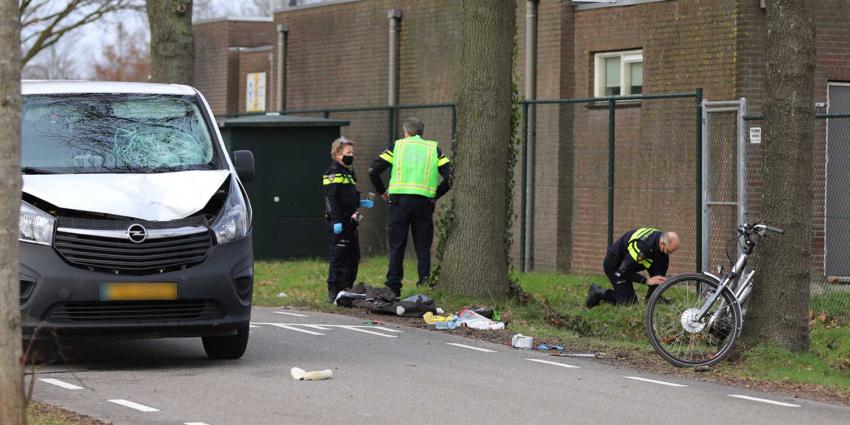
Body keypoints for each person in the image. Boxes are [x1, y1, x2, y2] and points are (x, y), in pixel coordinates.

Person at [369, 117, 452, 297]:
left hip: (399, 203)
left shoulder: (397, 147)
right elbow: (450, 176)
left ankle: (393, 287)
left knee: (397, 245)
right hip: (423, 203)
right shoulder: (433, 149)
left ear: (406, 132)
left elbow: (373, 170)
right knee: (423, 246)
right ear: (422, 133)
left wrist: (382, 191)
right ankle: (424, 286)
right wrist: (436, 194)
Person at [323, 137, 374, 303]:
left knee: (353, 257)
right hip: (340, 221)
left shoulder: (349, 173)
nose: (351, 155)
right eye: (348, 153)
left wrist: (360, 202)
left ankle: (347, 288)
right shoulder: (332, 173)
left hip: (351, 221)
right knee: (338, 256)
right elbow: (331, 199)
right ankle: (334, 290)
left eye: (352, 153)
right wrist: (336, 220)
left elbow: (348, 197)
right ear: (338, 154)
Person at [585, 227, 680, 309]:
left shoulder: (659, 238)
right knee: (628, 301)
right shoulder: (642, 248)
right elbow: (623, 271)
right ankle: (598, 293)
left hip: (631, 263)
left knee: (662, 263)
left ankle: (653, 298)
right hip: (615, 266)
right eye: (668, 250)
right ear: (662, 243)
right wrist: (646, 281)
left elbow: (660, 266)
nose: (669, 253)